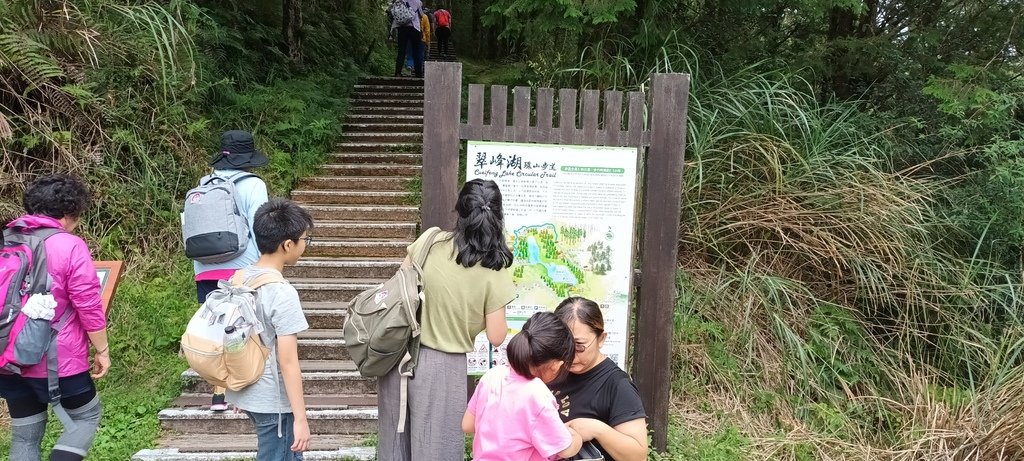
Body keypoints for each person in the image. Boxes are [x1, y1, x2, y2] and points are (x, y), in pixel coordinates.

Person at [377, 178, 516, 461]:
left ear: (460, 211)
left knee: (394, 447)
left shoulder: (429, 240)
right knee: (436, 449)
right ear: (498, 216)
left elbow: (399, 287)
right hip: (443, 365)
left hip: (398, 356)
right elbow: (496, 336)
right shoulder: (495, 266)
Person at [0, 174, 110, 461]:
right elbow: (88, 303)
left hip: (6, 357)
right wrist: (102, 349)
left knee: (25, 434)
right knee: (86, 417)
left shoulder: (6, 240)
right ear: (70, 212)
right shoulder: (68, 245)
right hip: (58, 359)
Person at [225, 198, 313, 460]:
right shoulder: (281, 292)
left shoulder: (239, 278)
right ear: (288, 244)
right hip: (273, 400)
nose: (306, 245)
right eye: (305, 239)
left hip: (248, 388)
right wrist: (300, 418)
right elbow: (287, 362)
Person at [191, 130, 269, 411]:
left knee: (217, 330)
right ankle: (242, 390)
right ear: (248, 158)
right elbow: (260, 227)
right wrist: (264, 266)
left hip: (204, 266)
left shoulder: (205, 182)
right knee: (246, 328)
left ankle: (218, 394)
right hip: (240, 265)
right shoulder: (253, 184)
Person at [463, 312, 584, 461]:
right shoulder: (538, 394)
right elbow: (564, 449)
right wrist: (576, 437)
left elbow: (468, 425)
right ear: (556, 366)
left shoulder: (493, 375)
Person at [549, 297, 649, 461]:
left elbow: (638, 456)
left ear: (601, 339)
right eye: (562, 345)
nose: (569, 355)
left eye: (579, 346)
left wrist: (597, 429)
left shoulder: (617, 385)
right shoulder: (551, 370)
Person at [391, 0, 425, 78]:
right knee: (416, 52)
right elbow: (422, 15)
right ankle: (418, 74)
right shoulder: (417, 2)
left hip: (402, 28)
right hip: (414, 28)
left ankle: (398, 72)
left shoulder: (399, 1)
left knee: (401, 51)